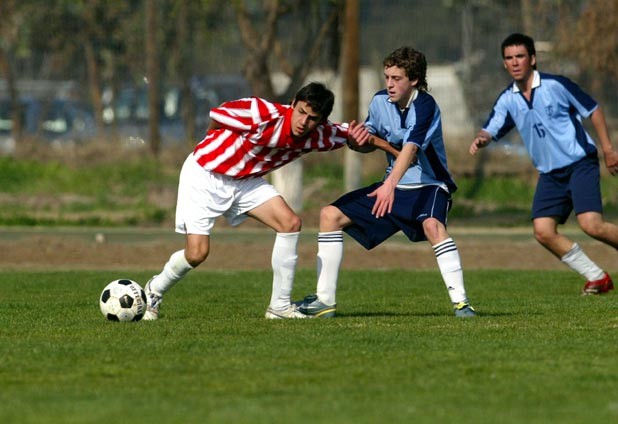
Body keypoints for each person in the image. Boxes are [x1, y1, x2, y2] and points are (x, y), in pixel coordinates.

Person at [143, 82, 377, 320]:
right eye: (301, 112)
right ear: (293, 104)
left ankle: (279, 307)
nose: (303, 121)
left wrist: (393, 152)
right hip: (206, 173)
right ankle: (154, 290)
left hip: (245, 181)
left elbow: (362, 139)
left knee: (290, 223)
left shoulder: (321, 134)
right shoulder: (261, 113)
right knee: (197, 253)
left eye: (312, 118)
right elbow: (217, 115)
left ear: (321, 121)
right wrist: (214, 143)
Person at [295, 46, 476, 318]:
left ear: (414, 79)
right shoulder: (380, 101)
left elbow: (410, 150)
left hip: (430, 185)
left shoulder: (425, 106)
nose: (389, 84)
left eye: (396, 78)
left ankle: (461, 304)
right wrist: (357, 142)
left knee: (432, 226)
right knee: (329, 215)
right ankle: (325, 302)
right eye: (387, 77)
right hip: (392, 186)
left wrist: (389, 185)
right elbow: (368, 141)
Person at [469, 33, 618, 295]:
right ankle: (597, 277)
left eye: (520, 56)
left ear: (532, 59)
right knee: (543, 231)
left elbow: (593, 109)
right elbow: (491, 126)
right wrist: (482, 138)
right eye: (509, 58)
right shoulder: (508, 98)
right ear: (504, 63)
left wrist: (608, 149)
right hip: (550, 174)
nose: (515, 62)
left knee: (591, 225)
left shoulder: (555, 85)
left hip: (579, 163)